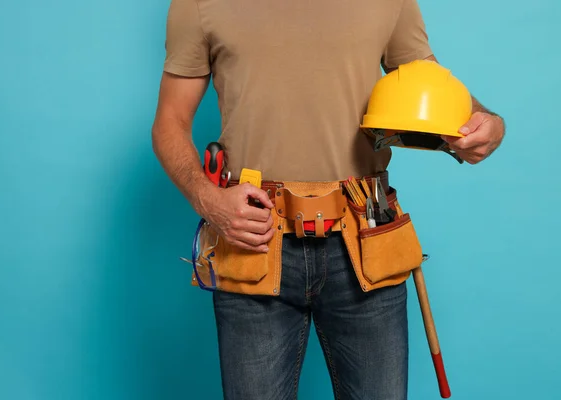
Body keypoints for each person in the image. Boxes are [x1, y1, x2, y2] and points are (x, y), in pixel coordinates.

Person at [151, 0, 505, 399]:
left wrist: (486, 122)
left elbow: (435, 89)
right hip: (255, 240)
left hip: (364, 235)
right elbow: (170, 121)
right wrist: (208, 200)